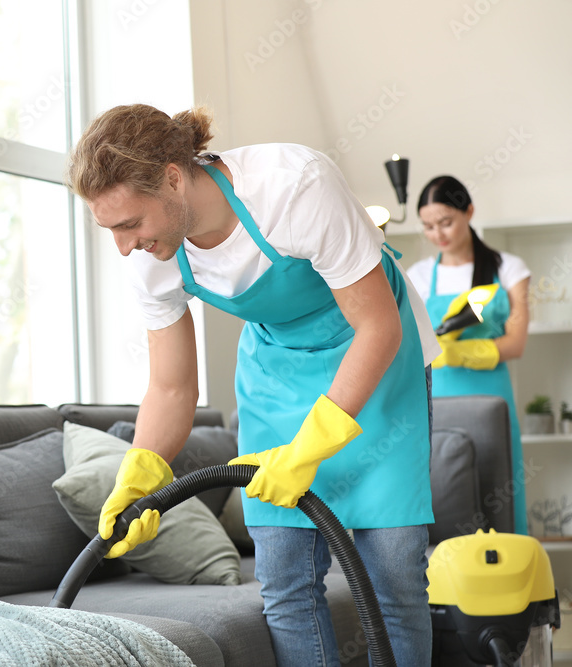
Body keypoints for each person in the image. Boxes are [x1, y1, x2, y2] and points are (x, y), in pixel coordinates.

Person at [65, 103, 440, 667]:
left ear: (173, 176)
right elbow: (170, 387)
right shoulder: (153, 259)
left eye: (129, 224)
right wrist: (141, 471)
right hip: (276, 373)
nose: (123, 246)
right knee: (286, 582)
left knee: (392, 575)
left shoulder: (293, 186)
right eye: (110, 229)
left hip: (375, 357)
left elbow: (378, 327)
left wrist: (313, 447)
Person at [406, 175, 530, 535]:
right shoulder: (418, 274)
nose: (438, 234)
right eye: (428, 226)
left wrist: (463, 352)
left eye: (446, 222)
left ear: (469, 211)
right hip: (438, 399)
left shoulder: (509, 268)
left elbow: (517, 342)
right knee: (445, 490)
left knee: (500, 486)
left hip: (492, 396)